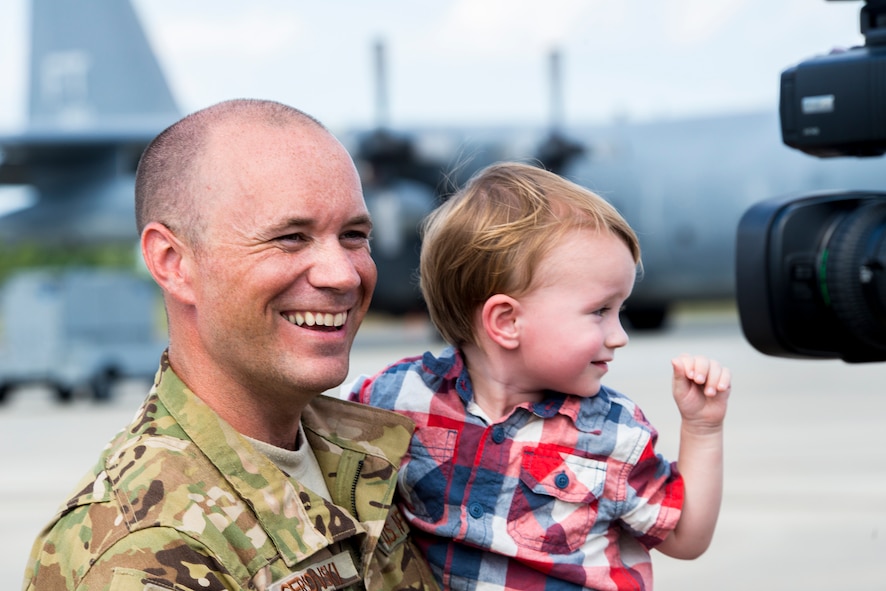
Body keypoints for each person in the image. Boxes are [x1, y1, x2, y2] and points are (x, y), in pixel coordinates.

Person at [22, 99, 439, 591]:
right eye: (290, 237)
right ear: (174, 262)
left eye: (353, 235)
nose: (343, 274)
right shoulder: (145, 551)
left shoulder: (370, 457)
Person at [348, 162, 732, 590]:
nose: (619, 336)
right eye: (600, 311)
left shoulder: (612, 432)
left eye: (620, 310)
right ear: (507, 321)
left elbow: (685, 537)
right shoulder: (396, 397)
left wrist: (702, 426)